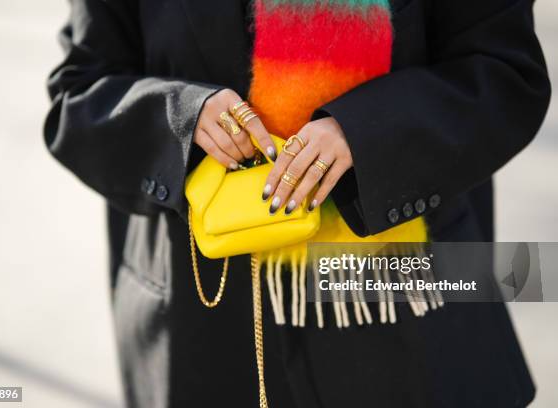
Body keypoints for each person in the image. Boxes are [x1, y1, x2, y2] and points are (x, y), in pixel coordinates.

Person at [44, 0, 551, 407]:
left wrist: (367, 135)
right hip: (206, 325)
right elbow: (78, 92)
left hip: (408, 321)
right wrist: (182, 119)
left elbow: (504, 70)